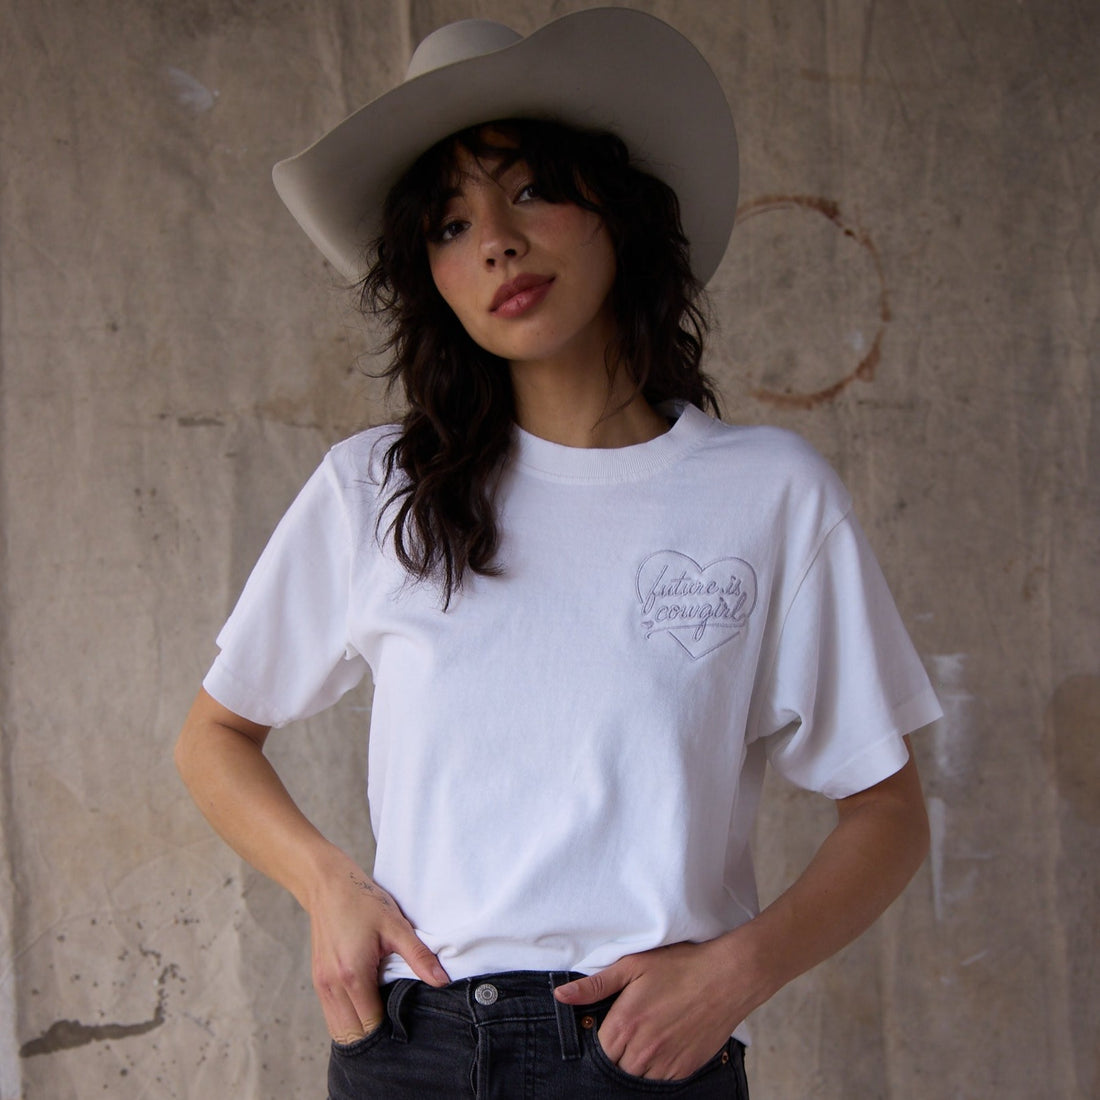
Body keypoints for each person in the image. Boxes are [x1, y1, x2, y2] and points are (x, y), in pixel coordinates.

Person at [174, 10, 942, 1098]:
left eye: (530, 189)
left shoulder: (767, 492)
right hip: (415, 1047)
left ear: (615, 207)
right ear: (428, 276)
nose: (492, 240)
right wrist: (326, 882)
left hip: (644, 1051)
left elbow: (887, 809)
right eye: (447, 224)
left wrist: (738, 970)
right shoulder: (375, 488)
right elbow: (214, 733)